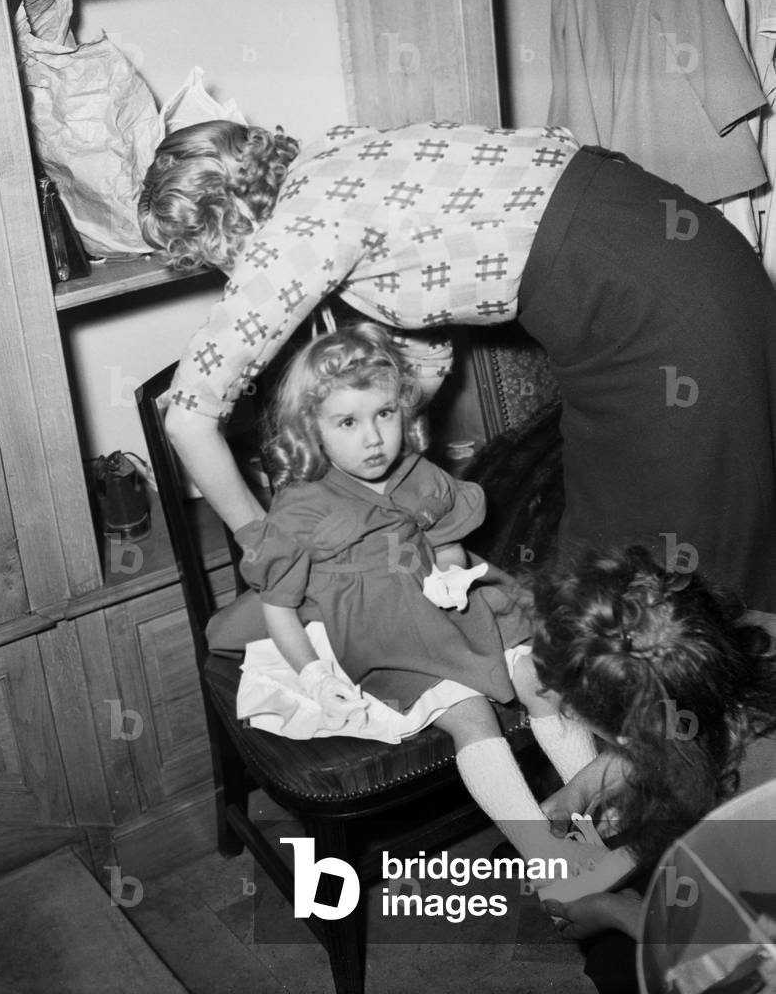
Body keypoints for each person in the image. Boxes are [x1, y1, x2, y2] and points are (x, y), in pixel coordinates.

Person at [137, 119, 776, 613]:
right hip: (670, 246)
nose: (227, 277)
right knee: (622, 551)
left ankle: (713, 762)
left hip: (650, 306)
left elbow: (188, 416)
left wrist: (260, 541)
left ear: (224, 223)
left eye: (209, 258)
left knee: (670, 568)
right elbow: (428, 351)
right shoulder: (333, 157)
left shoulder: (293, 233)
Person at [232, 321, 619, 880]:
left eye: (384, 415)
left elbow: (446, 544)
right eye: (348, 422)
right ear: (312, 430)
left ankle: (597, 820)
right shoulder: (299, 508)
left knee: (542, 680)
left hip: (454, 610)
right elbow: (279, 607)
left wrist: (451, 574)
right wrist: (314, 675)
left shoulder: (417, 474)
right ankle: (547, 856)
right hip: (386, 634)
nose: (373, 439)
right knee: (471, 714)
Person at [528, 546, 776, 990]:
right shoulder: (730, 647)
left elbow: (749, 958)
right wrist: (582, 788)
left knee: (614, 961)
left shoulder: (742, 825)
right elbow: (691, 726)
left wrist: (617, 912)